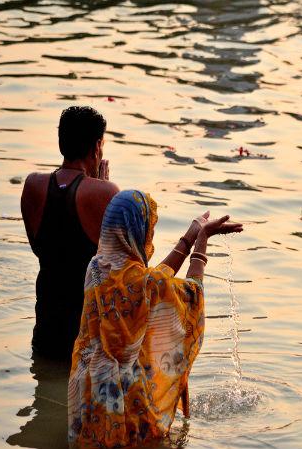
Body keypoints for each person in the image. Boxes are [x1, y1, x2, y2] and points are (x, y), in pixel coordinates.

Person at [67, 190, 243, 448]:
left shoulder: (95, 268)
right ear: (139, 232)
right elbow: (191, 294)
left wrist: (189, 237)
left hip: (86, 389)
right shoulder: (145, 284)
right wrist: (201, 241)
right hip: (125, 400)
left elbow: (152, 284)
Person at [21, 106, 120, 360]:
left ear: (61, 142)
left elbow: (40, 250)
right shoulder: (105, 193)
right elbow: (119, 269)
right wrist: (102, 186)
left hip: (45, 331)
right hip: (87, 340)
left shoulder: (32, 185)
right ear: (97, 146)